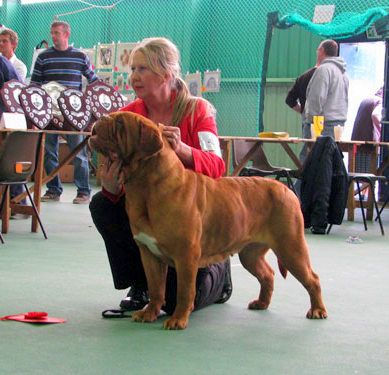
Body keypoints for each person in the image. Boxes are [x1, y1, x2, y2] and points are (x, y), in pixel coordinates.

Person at [89, 37, 232, 315]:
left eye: (143, 69)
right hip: (150, 209)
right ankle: (141, 284)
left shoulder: (197, 110)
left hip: (192, 218)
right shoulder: (127, 116)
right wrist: (108, 187)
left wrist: (183, 150)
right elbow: (117, 167)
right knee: (104, 206)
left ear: (166, 74)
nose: (134, 77)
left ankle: (219, 274)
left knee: (185, 298)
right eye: (132, 69)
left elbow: (217, 166)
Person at [30, 21, 97, 204]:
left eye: (57, 33)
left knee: (79, 153)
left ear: (67, 34)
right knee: (49, 152)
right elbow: (34, 86)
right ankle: (53, 190)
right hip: (50, 113)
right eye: (51, 32)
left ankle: (83, 192)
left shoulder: (80, 57)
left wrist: (91, 107)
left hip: (74, 115)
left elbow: (93, 81)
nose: (53, 36)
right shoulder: (43, 57)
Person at [305, 39, 349, 139]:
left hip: (323, 124)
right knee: (331, 153)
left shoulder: (323, 70)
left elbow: (317, 98)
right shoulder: (343, 73)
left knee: (312, 154)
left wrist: (311, 120)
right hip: (339, 124)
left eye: (317, 51)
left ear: (321, 50)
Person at [285, 66, 316, 163]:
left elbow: (289, 100)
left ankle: (302, 175)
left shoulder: (303, 77)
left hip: (307, 120)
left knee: (307, 151)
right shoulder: (329, 75)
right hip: (322, 121)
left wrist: (302, 110)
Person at [351, 87, 383, 173]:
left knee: (360, 176)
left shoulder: (368, 99)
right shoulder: (380, 101)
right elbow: (375, 115)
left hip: (357, 143)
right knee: (369, 176)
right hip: (368, 144)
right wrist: (382, 131)